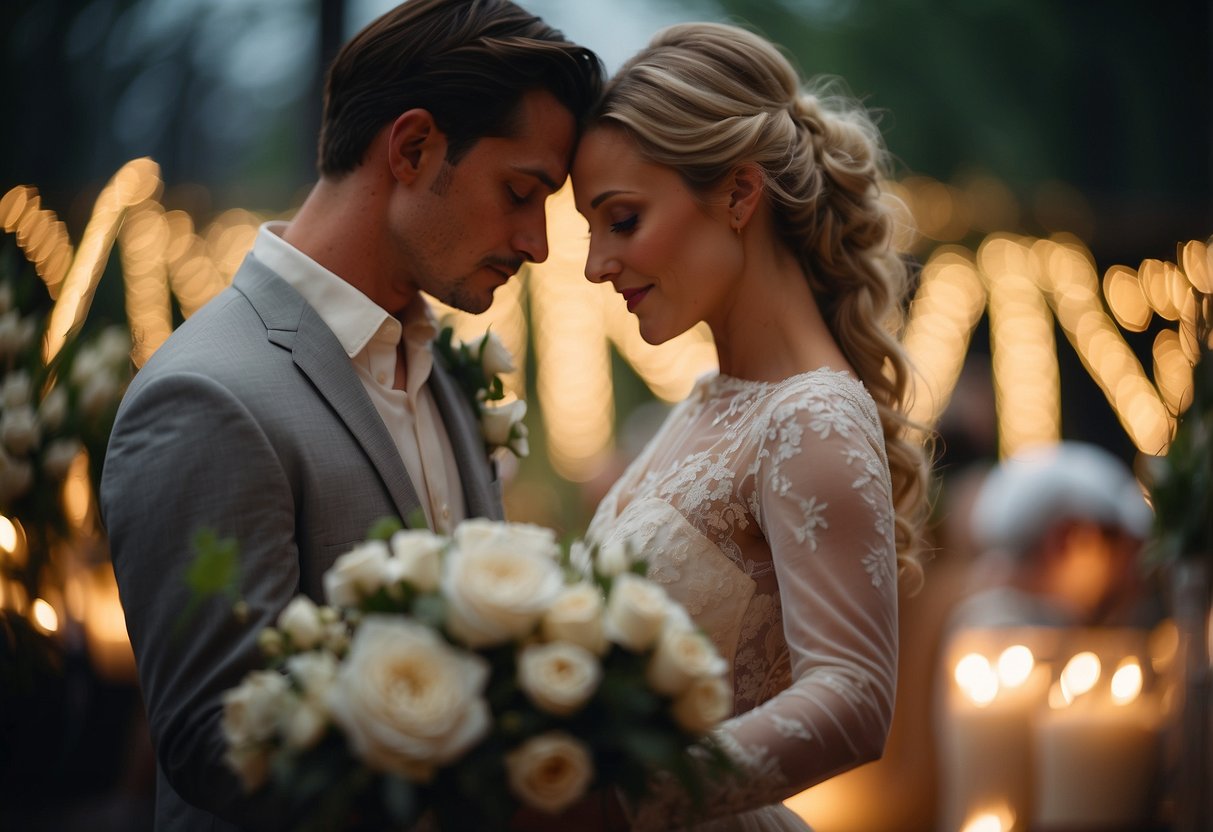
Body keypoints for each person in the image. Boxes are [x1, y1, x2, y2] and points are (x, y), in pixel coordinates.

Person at [99, 2, 602, 829]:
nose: (538, 242)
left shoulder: (440, 367)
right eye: (521, 192)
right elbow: (218, 743)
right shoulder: (206, 395)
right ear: (411, 148)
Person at [568, 21, 930, 831]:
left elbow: (854, 699)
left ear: (737, 193)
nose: (595, 264)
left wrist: (611, 802)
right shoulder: (705, 398)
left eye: (620, 220)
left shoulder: (812, 418)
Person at [948, 440, 1153, 631]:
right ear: (1065, 539)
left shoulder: (976, 622)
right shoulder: (998, 630)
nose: (1131, 577)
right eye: (1118, 547)